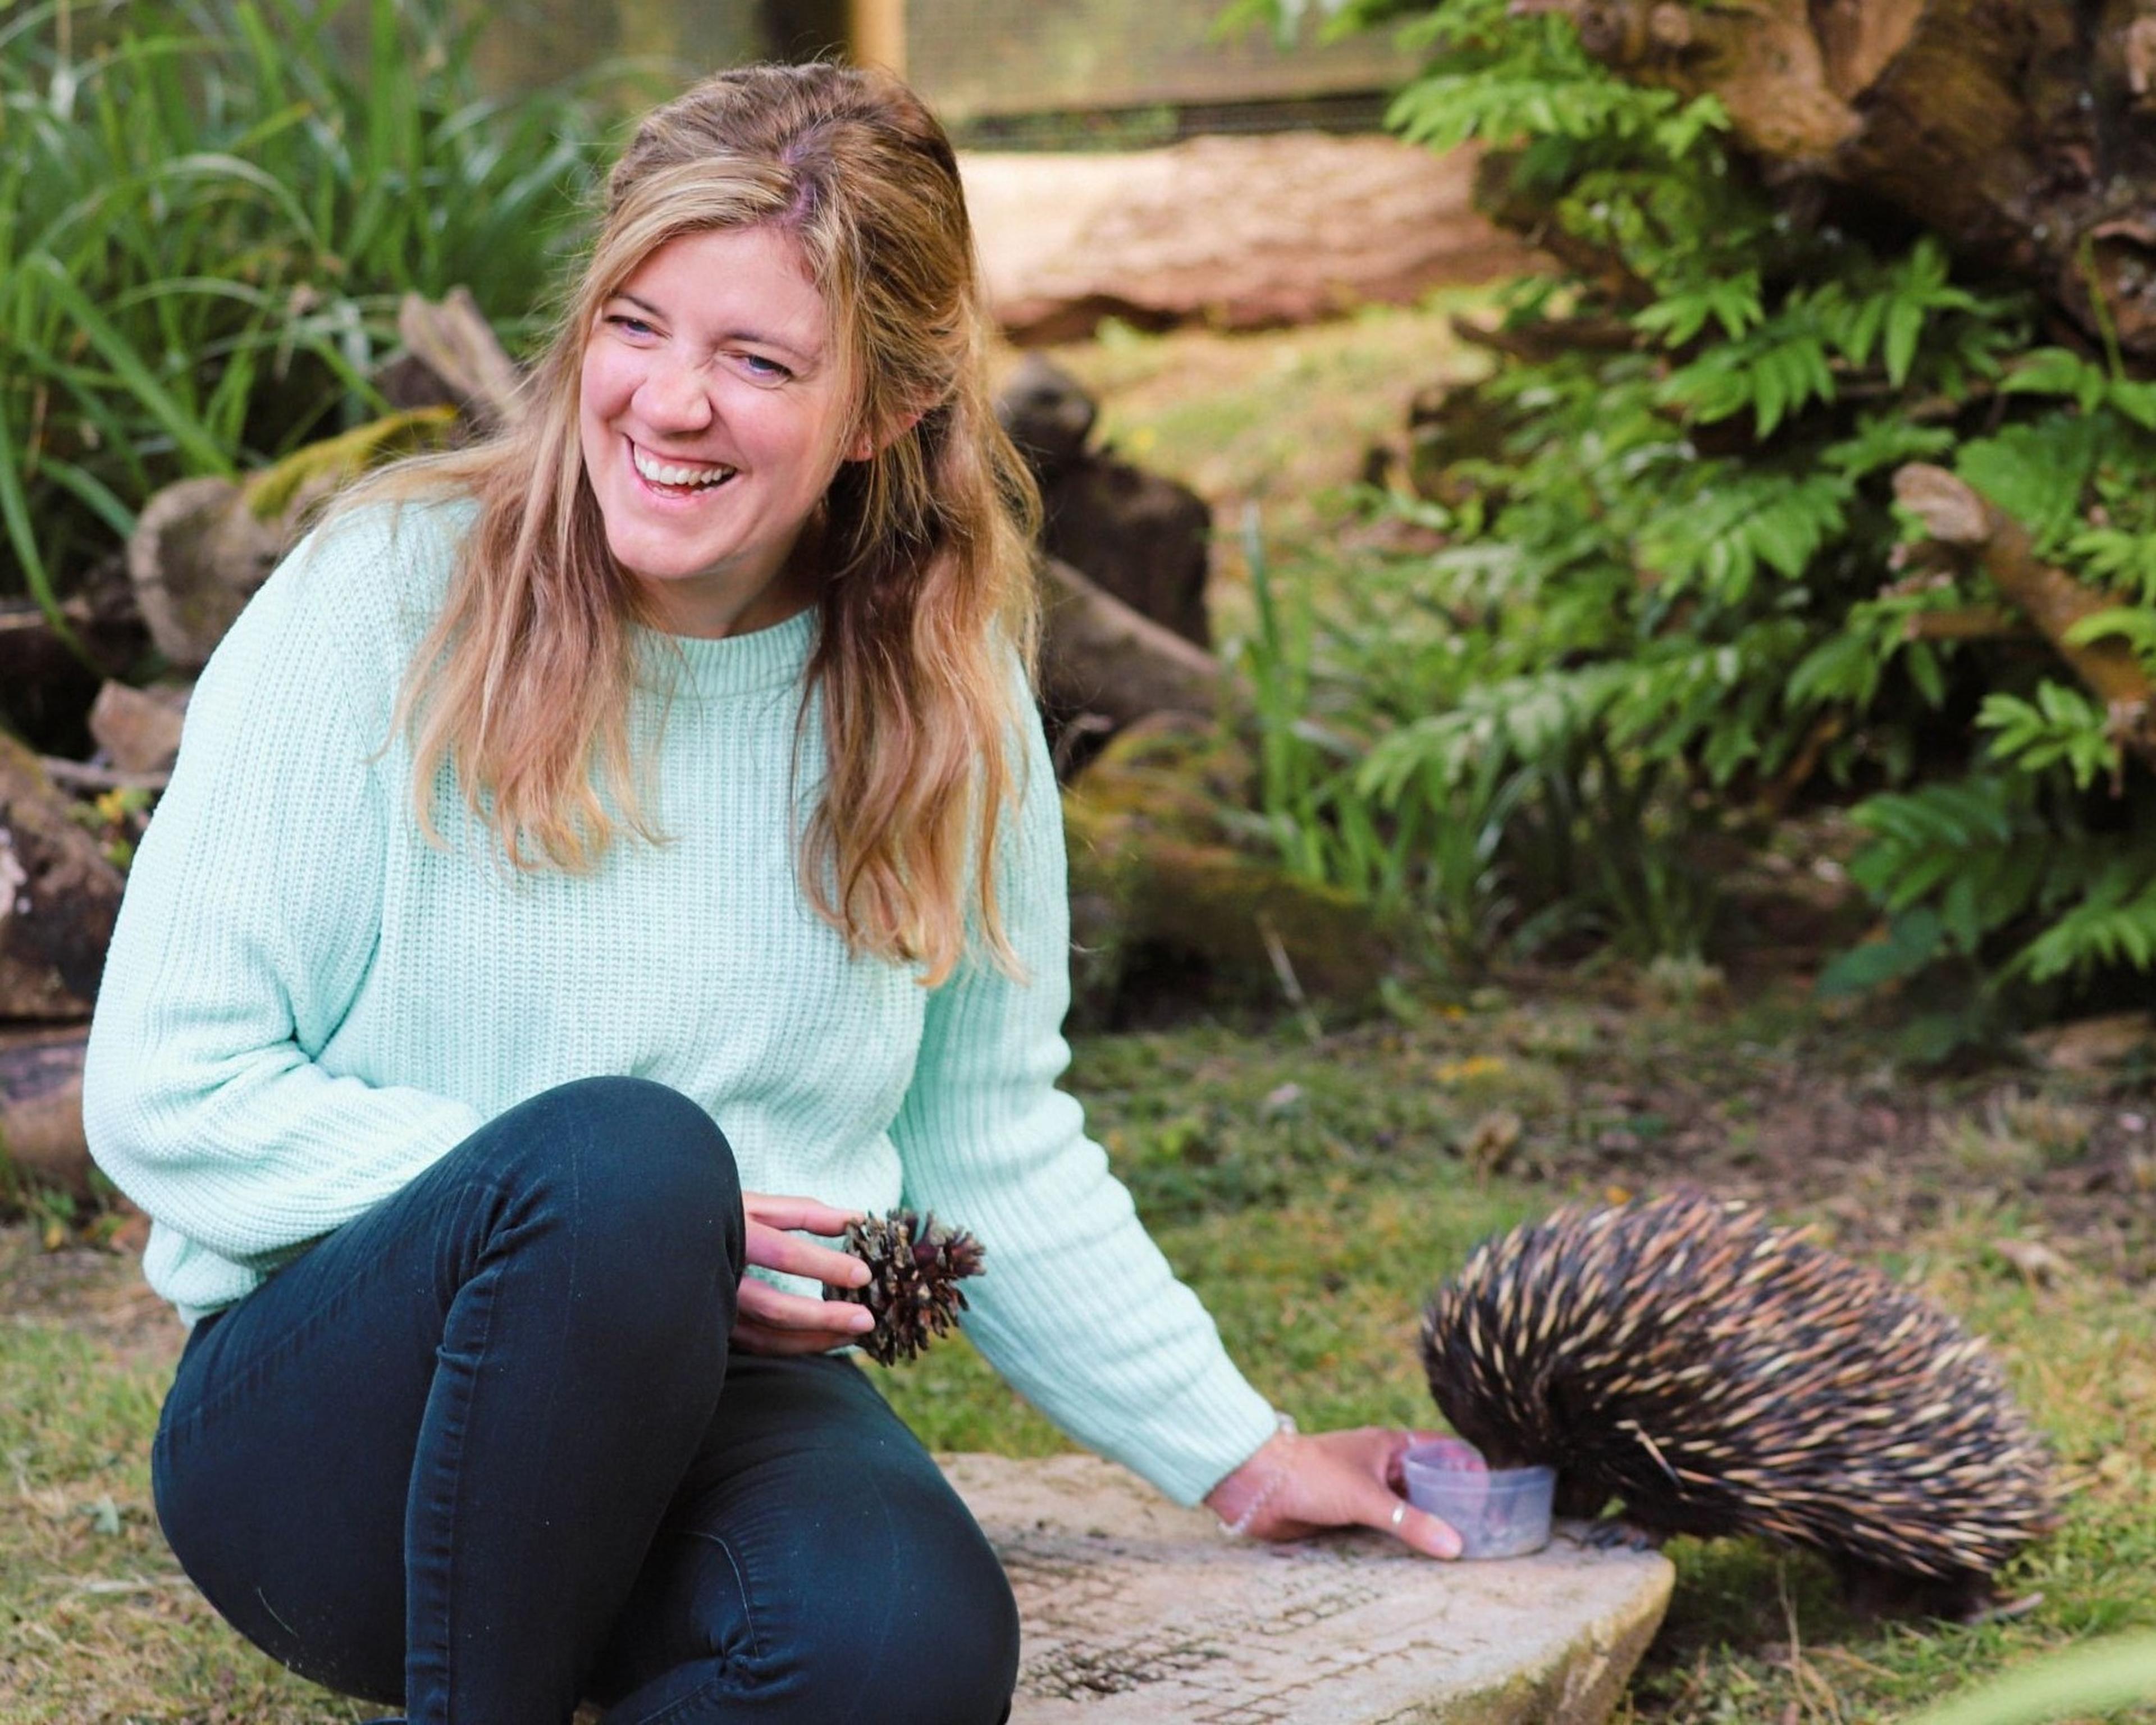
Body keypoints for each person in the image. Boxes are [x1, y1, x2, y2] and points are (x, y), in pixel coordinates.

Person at [83, 61, 1460, 1725]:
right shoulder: (383, 600)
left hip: (714, 1416)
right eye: (638, 325)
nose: (669, 403)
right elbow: (170, 1090)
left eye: (757, 360)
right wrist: (654, 1232)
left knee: (904, 1654)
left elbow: (985, 1135)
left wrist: (1241, 1456)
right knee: (631, 1164)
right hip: (339, 1439)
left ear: (882, 407)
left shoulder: (940, 701)